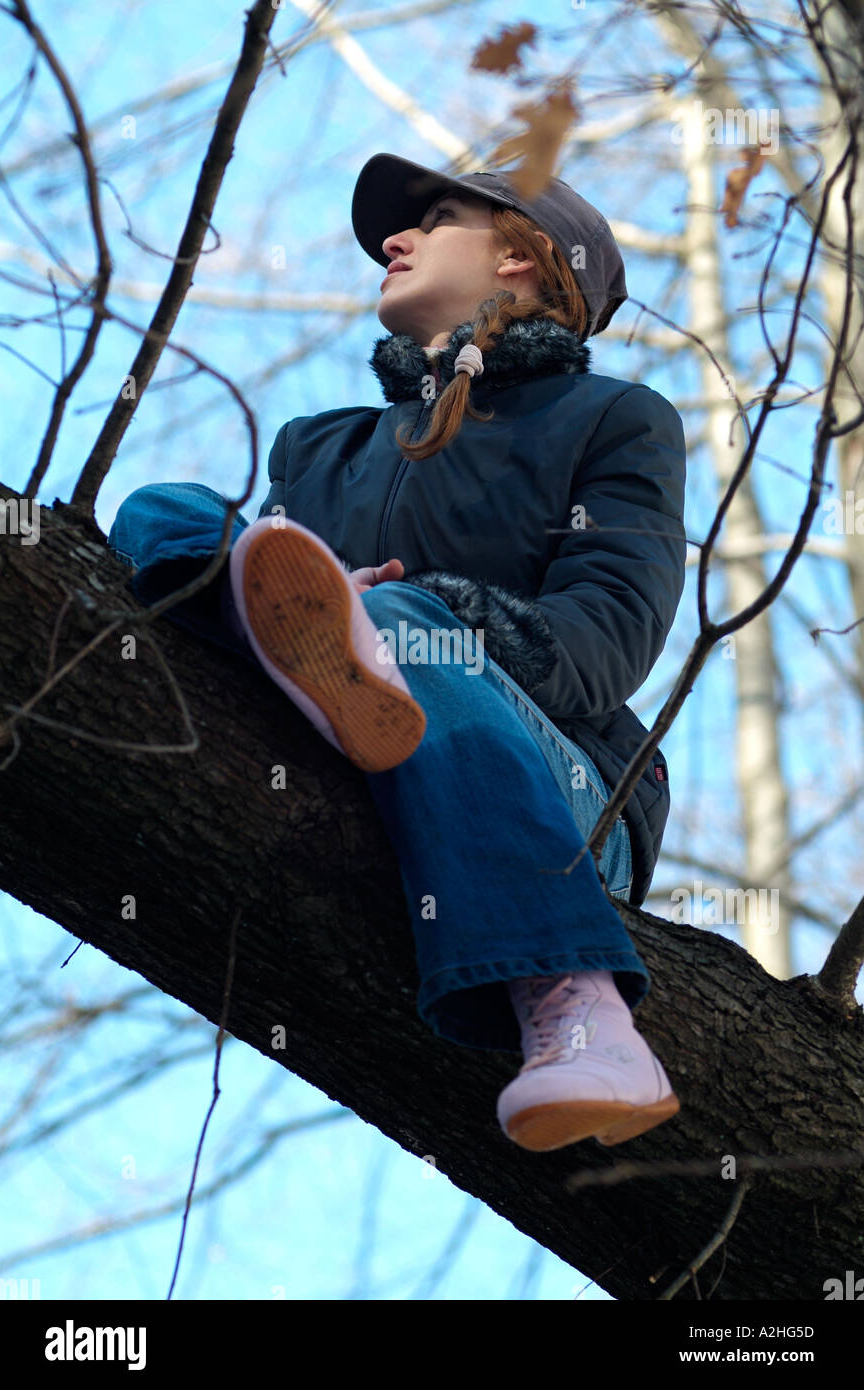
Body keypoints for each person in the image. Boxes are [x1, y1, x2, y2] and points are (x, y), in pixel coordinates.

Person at [108, 152, 687, 1152]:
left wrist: (426, 619)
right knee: (164, 507)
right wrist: (324, 599)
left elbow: (609, 642)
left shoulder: (612, 421)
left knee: (411, 619)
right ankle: (315, 649)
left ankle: (579, 1008)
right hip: (353, 715)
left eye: (436, 218)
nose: (392, 239)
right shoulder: (319, 444)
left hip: (573, 795)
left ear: (520, 260)